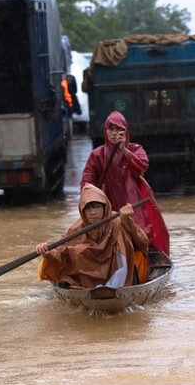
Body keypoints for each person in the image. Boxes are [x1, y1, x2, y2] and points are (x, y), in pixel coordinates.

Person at [81, 110, 170, 255]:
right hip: (108, 204)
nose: (114, 133)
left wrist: (124, 151)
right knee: (108, 238)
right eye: (111, 129)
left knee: (139, 236)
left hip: (134, 204)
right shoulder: (97, 155)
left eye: (119, 129)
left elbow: (141, 166)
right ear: (105, 131)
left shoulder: (136, 149)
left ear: (125, 131)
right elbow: (86, 184)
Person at [36, 183, 149, 289]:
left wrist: (127, 221)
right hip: (88, 280)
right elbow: (59, 250)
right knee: (77, 251)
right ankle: (89, 289)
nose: (92, 212)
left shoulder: (118, 221)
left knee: (120, 233)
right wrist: (46, 251)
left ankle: (114, 288)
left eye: (96, 207)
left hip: (117, 275)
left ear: (105, 207)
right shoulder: (77, 228)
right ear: (82, 211)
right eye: (88, 208)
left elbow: (143, 242)